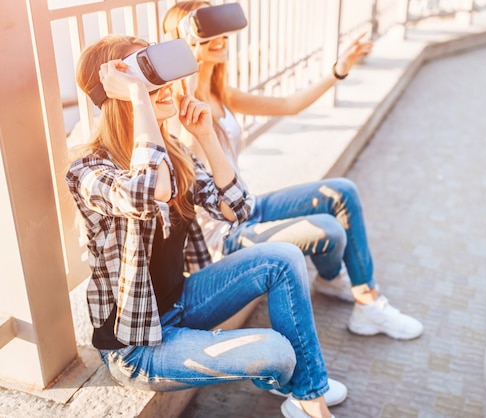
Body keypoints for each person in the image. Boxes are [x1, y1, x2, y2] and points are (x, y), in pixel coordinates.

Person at [66, 35, 340, 418]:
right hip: (137, 347)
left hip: (183, 304)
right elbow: (148, 191)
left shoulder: (175, 154)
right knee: (277, 352)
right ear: (117, 93)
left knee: (283, 258)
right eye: (146, 79)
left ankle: (311, 399)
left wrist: (207, 136)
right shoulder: (89, 169)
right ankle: (295, 374)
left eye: (160, 77)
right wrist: (139, 97)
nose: (163, 89)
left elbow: (238, 208)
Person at [162, 2, 424, 343]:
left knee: (341, 192)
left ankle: (362, 300)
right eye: (206, 31)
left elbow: (288, 105)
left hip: (248, 208)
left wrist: (338, 70)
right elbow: (183, 153)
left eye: (221, 29)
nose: (220, 38)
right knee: (330, 231)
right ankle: (345, 288)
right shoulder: (182, 107)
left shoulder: (219, 94)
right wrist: (187, 59)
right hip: (224, 234)